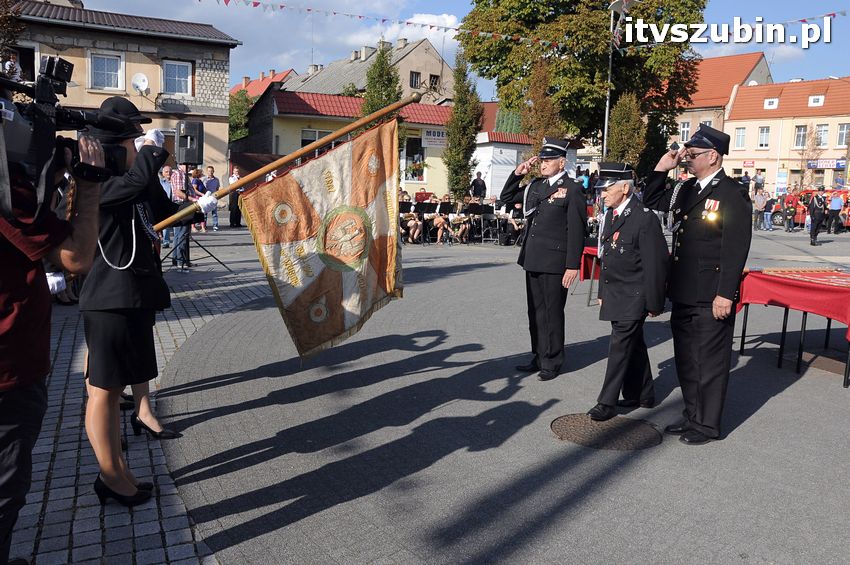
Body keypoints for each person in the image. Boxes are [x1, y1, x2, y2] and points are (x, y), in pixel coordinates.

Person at [81, 97, 217, 507]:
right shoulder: (94, 180)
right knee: (103, 391)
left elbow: (161, 208)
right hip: (107, 296)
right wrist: (154, 152)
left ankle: (120, 468)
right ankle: (110, 475)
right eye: (132, 140)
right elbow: (133, 187)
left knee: (121, 380)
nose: (137, 146)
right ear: (114, 145)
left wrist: (199, 209)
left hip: (135, 290)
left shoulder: (134, 177)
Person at [0, 135, 104, 565]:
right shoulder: (7, 189)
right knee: (4, 494)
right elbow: (77, 257)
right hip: (9, 370)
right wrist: (90, 182)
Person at [642, 124, 752, 444]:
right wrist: (662, 167)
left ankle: (707, 424)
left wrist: (725, 294)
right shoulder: (687, 188)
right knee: (687, 358)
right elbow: (652, 198)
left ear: (713, 156)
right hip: (684, 290)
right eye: (686, 153)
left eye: (692, 153)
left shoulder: (732, 193)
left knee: (710, 362)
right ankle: (692, 415)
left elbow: (735, 248)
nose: (686, 158)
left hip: (711, 293)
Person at [500, 138, 587, 381]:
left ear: (562, 162)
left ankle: (553, 360)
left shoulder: (573, 188)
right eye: (542, 160)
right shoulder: (535, 186)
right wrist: (518, 173)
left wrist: (572, 265)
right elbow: (507, 197)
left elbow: (576, 229)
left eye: (549, 160)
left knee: (552, 312)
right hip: (533, 257)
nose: (543, 164)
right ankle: (539, 355)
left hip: (556, 260)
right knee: (535, 311)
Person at [586, 165, 668, 421]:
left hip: (635, 295)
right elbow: (607, 257)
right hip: (616, 291)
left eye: (607, 188)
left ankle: (606, 402)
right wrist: (602, 289)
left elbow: (656, 265)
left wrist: (655, 303)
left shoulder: (644, 218)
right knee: (635, 343)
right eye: (600, 189)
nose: (602, 194)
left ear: (624, 187)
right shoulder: (611, 214)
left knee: (619, 345)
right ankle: (643, 393)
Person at [170, 164, 191, 269]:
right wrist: (192, 199)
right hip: (181, 204)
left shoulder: (185, 174)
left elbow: (192, 189)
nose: (191, 165)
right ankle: (180, 261)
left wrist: (202, 196)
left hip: (184, 204)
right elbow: (178, 192)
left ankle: (176, 260)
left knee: (179, 234)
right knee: (182, 234)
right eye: (188, 164)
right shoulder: (178, 174)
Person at [203, 165, 221, 231]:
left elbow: (217, 189)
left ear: (213, 171)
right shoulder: (204, 180)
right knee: (205, 213)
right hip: (206, 198)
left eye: (211, 171)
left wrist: (217, 196)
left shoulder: (216, 180)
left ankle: (215, 225)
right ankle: (204, 225)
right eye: (209, 171)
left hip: (213, 198)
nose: (210, 172)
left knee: (214, 213)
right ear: (207, 172)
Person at [159, 165, 173, 247]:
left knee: (176, 224)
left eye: (170, 171)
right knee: (165, 225)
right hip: (165, 205)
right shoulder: (161, 182)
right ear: (163, 173)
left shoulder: (176, 181)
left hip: (175, 204)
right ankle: (166, 241)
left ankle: (176, 241)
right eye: (166, 172)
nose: (169, 173)